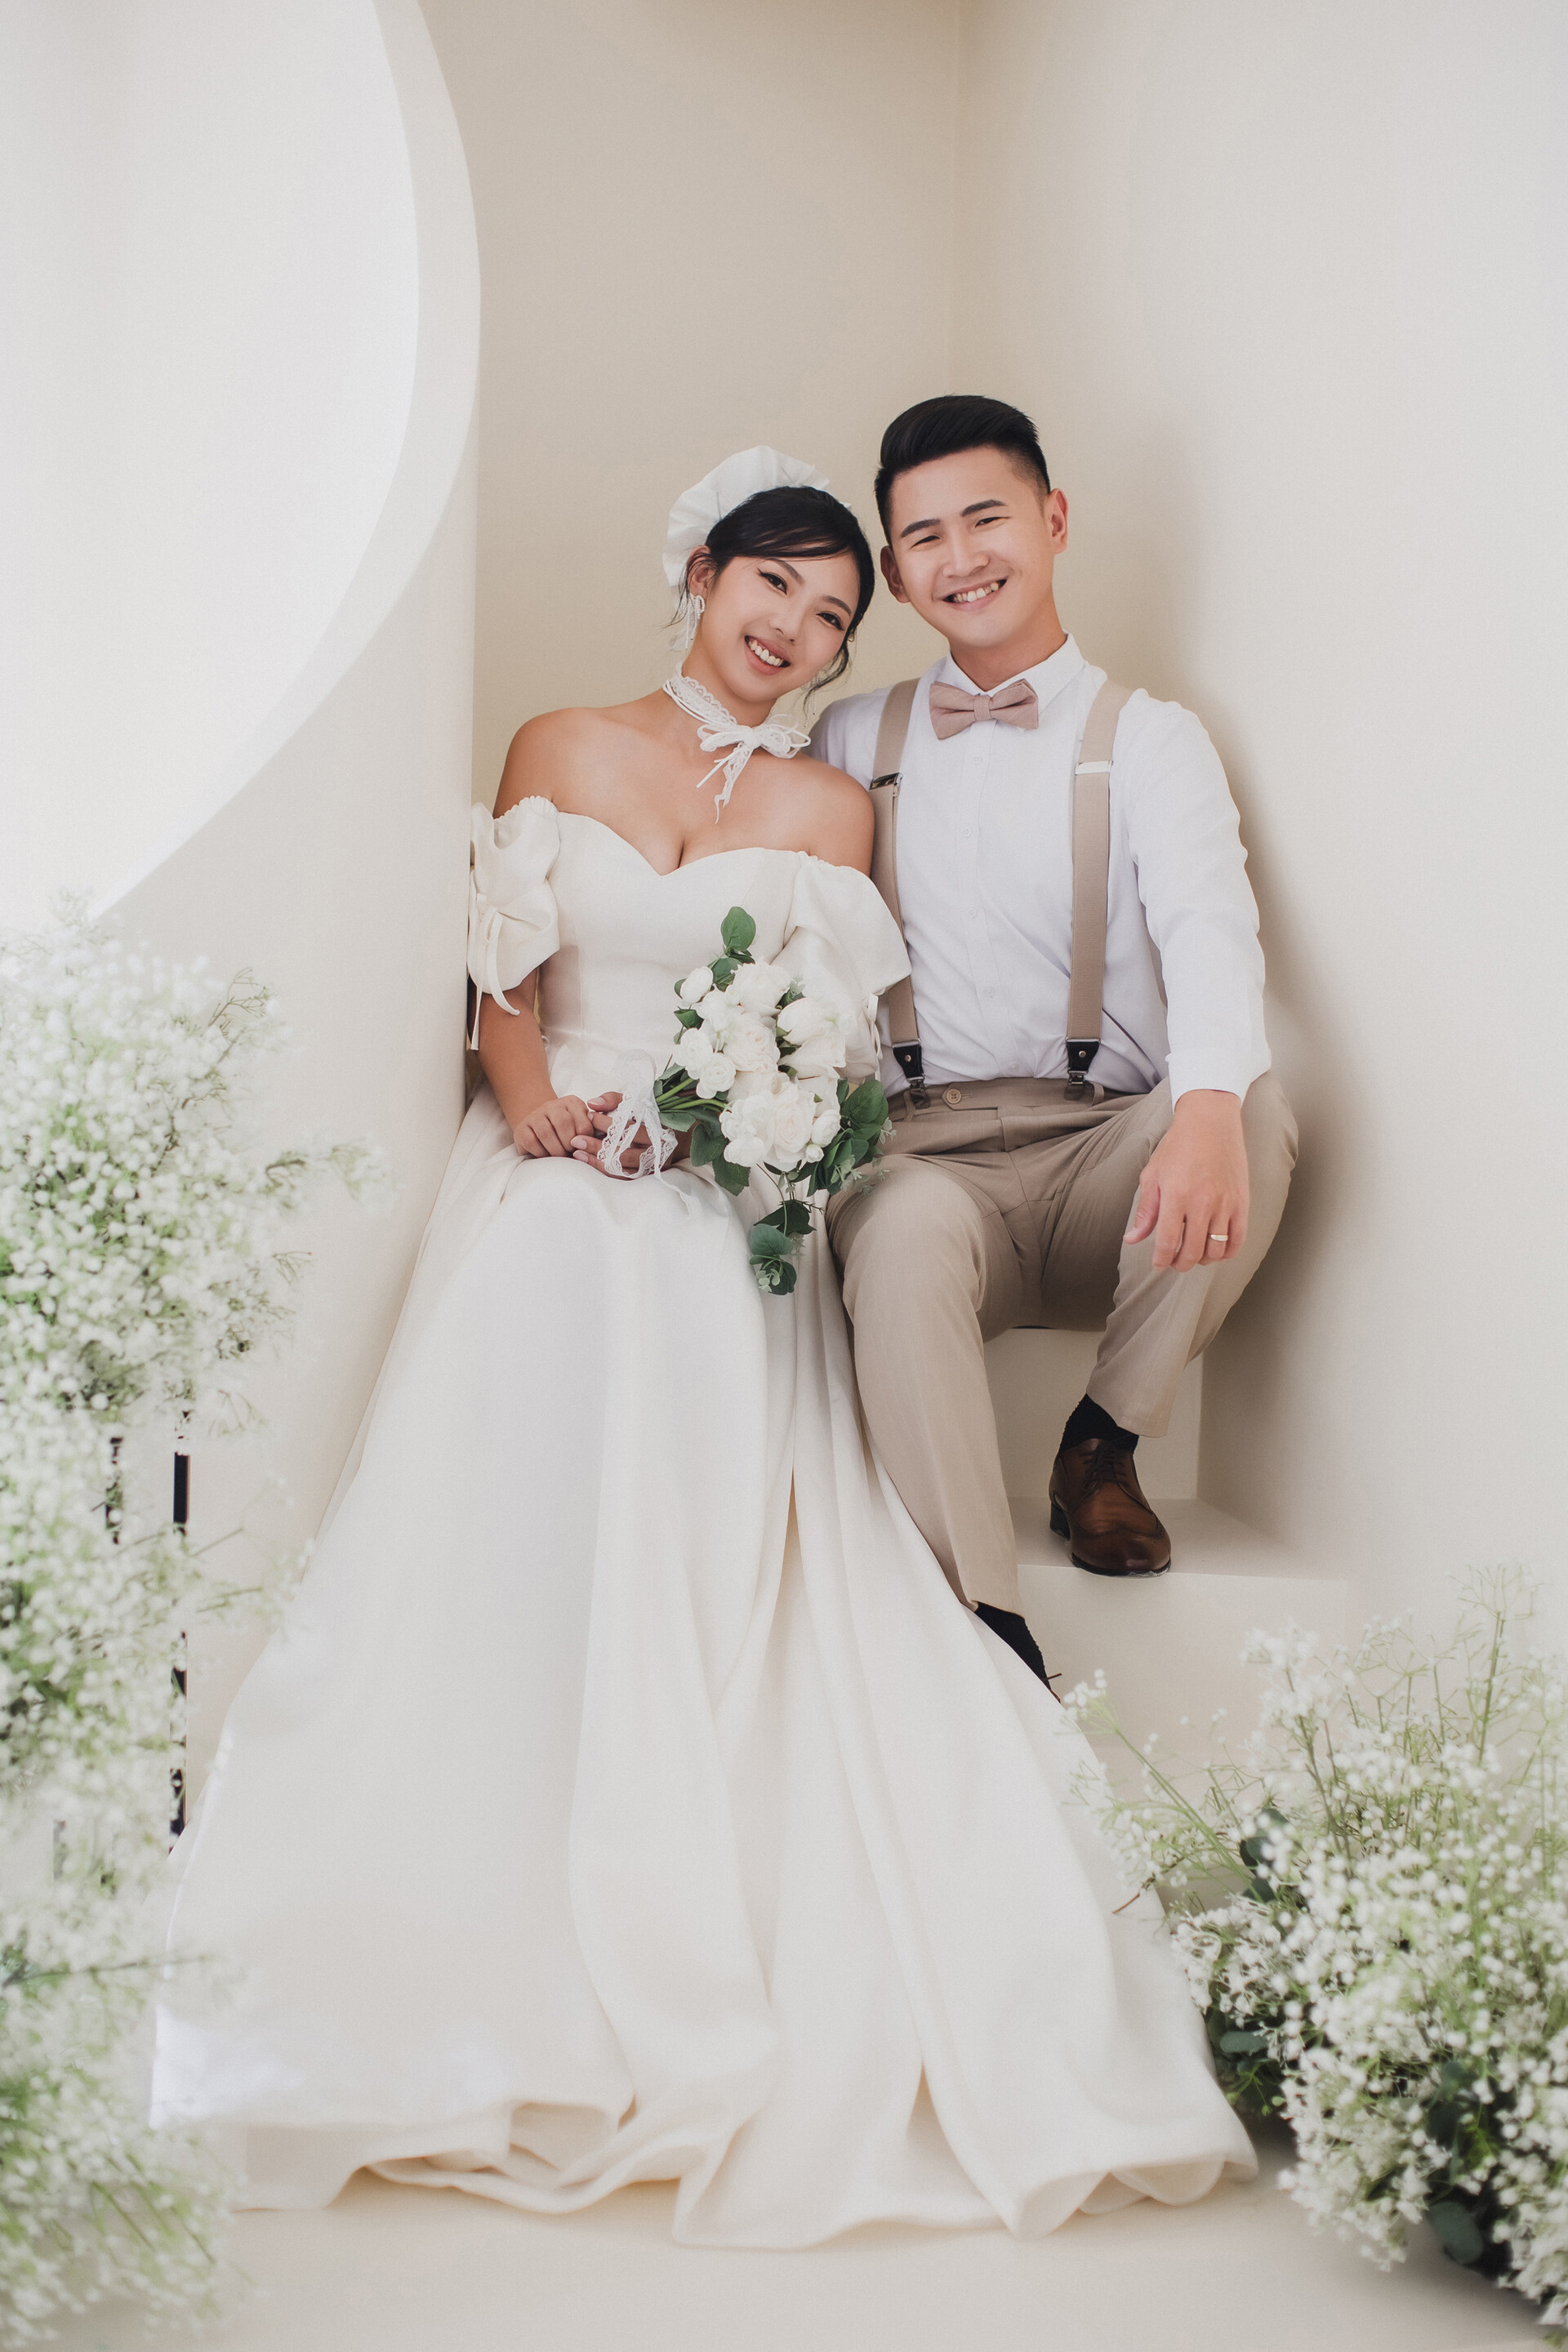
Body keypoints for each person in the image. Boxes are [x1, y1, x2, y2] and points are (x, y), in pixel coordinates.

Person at [151, 448, 1253, 2246]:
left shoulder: (829, 808)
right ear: (700, 577)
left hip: (718, 1186)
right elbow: (505, 982)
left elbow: (824, 1046)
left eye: (830, 614)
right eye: (773, 589)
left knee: (686, 1289)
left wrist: (726, 1129)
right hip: (550, 1155)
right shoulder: (558, 744)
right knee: (545, 1281)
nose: (794, 632)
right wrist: (538, 1110)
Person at [813, 397, 1297, 1625]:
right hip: (922, 1157)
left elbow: (1211, 929)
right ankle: (983, 1628)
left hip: (1102, 1162)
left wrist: (1204, 1108)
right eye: (926, 536)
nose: (962, 556)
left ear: (1054, 520)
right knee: (903, 1231)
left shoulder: (1152, 737)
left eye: (987, 519)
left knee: (1251, 1108)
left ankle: (1102, 1444)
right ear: (895, 574)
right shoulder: (848, 736)